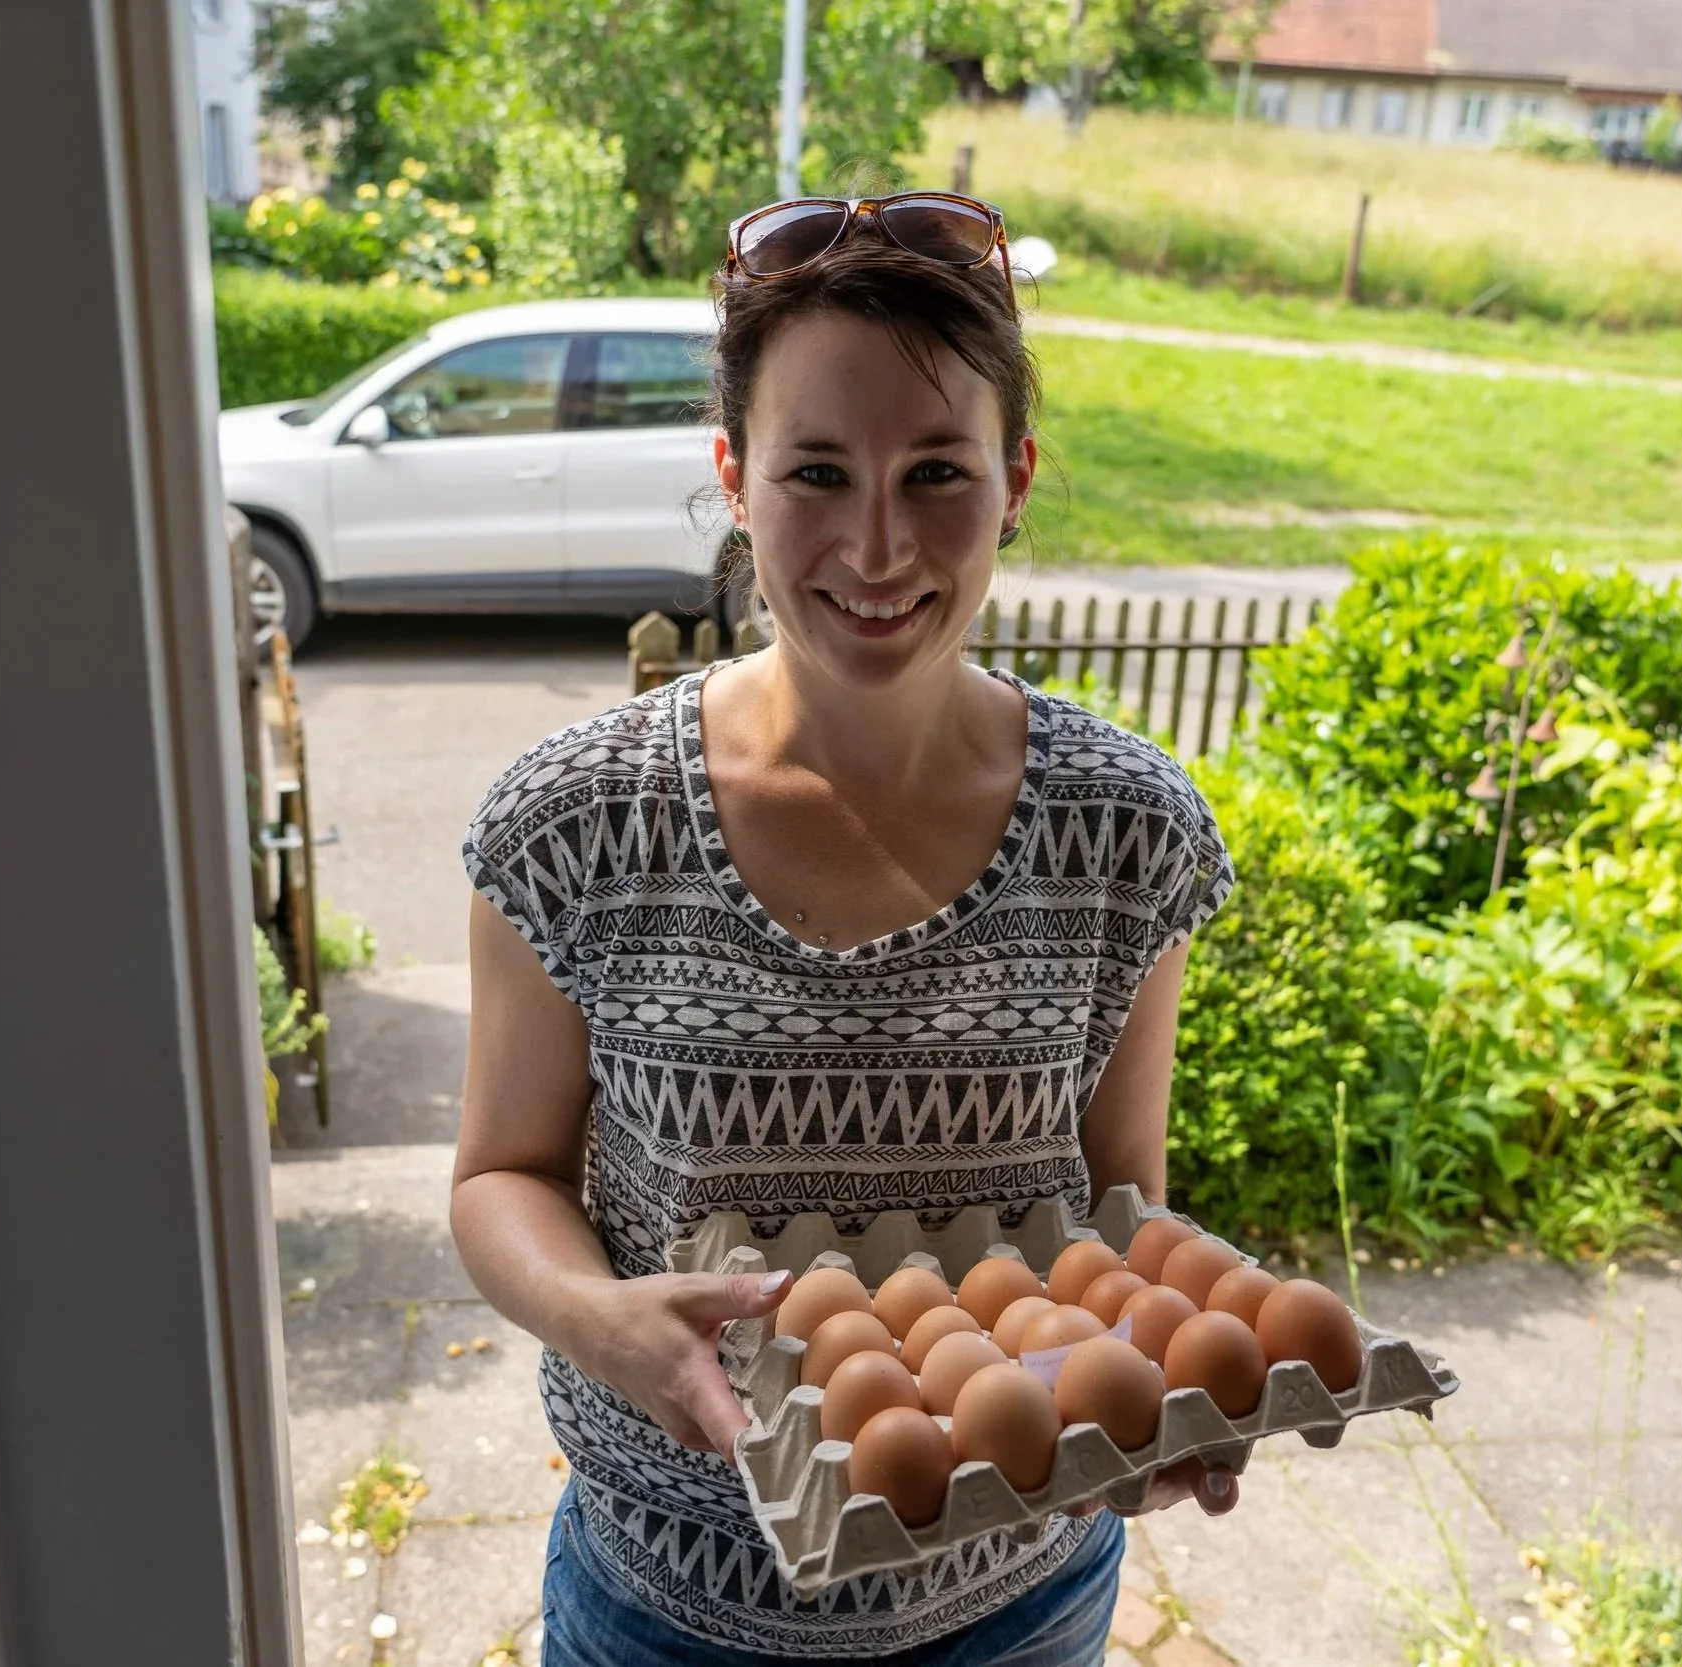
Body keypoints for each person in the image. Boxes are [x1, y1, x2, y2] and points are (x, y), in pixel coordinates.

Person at [453, 191, 1237, 1666]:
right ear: (733, 478)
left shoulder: (1127, 832)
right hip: (668, 1606)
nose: (878, 547)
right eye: (817, 471)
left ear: (1014, 479)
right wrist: (596, 1318)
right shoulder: (577, 825)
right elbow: (503, 1173)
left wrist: (1152, 1376)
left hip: (1018, 1602)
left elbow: (1120, 1200)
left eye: (936, 472)